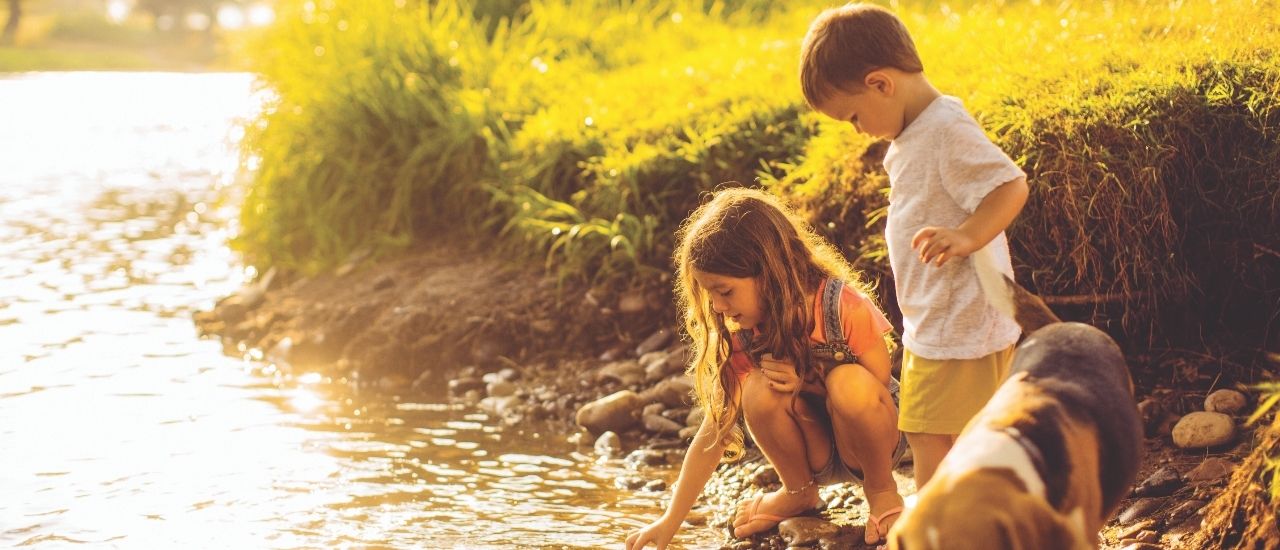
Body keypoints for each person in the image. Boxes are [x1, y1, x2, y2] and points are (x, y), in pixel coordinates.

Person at [798, 4, 1030, 491]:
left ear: (881, 83)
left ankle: (955, 529)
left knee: (945, 435)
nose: (858, 129)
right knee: (933, 434)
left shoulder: (945, 128)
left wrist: (968, 236)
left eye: (854, 116)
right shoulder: (914, 135)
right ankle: (958, 524)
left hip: (966, 323)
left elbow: (1010, 186)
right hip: (936, 322)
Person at [625, 188, 908, 549]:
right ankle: (800, 491)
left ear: (769, 272)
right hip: (817, 450)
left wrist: (808, 381)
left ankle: (882, 491)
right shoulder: (743, 335)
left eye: (725, 291)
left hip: (871, 444)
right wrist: (670, 521)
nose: (717, 305)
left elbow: (878, 387)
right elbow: (716, 428)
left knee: (848, 380)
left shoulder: (841, 306)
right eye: (709, 293)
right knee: (757, 388)